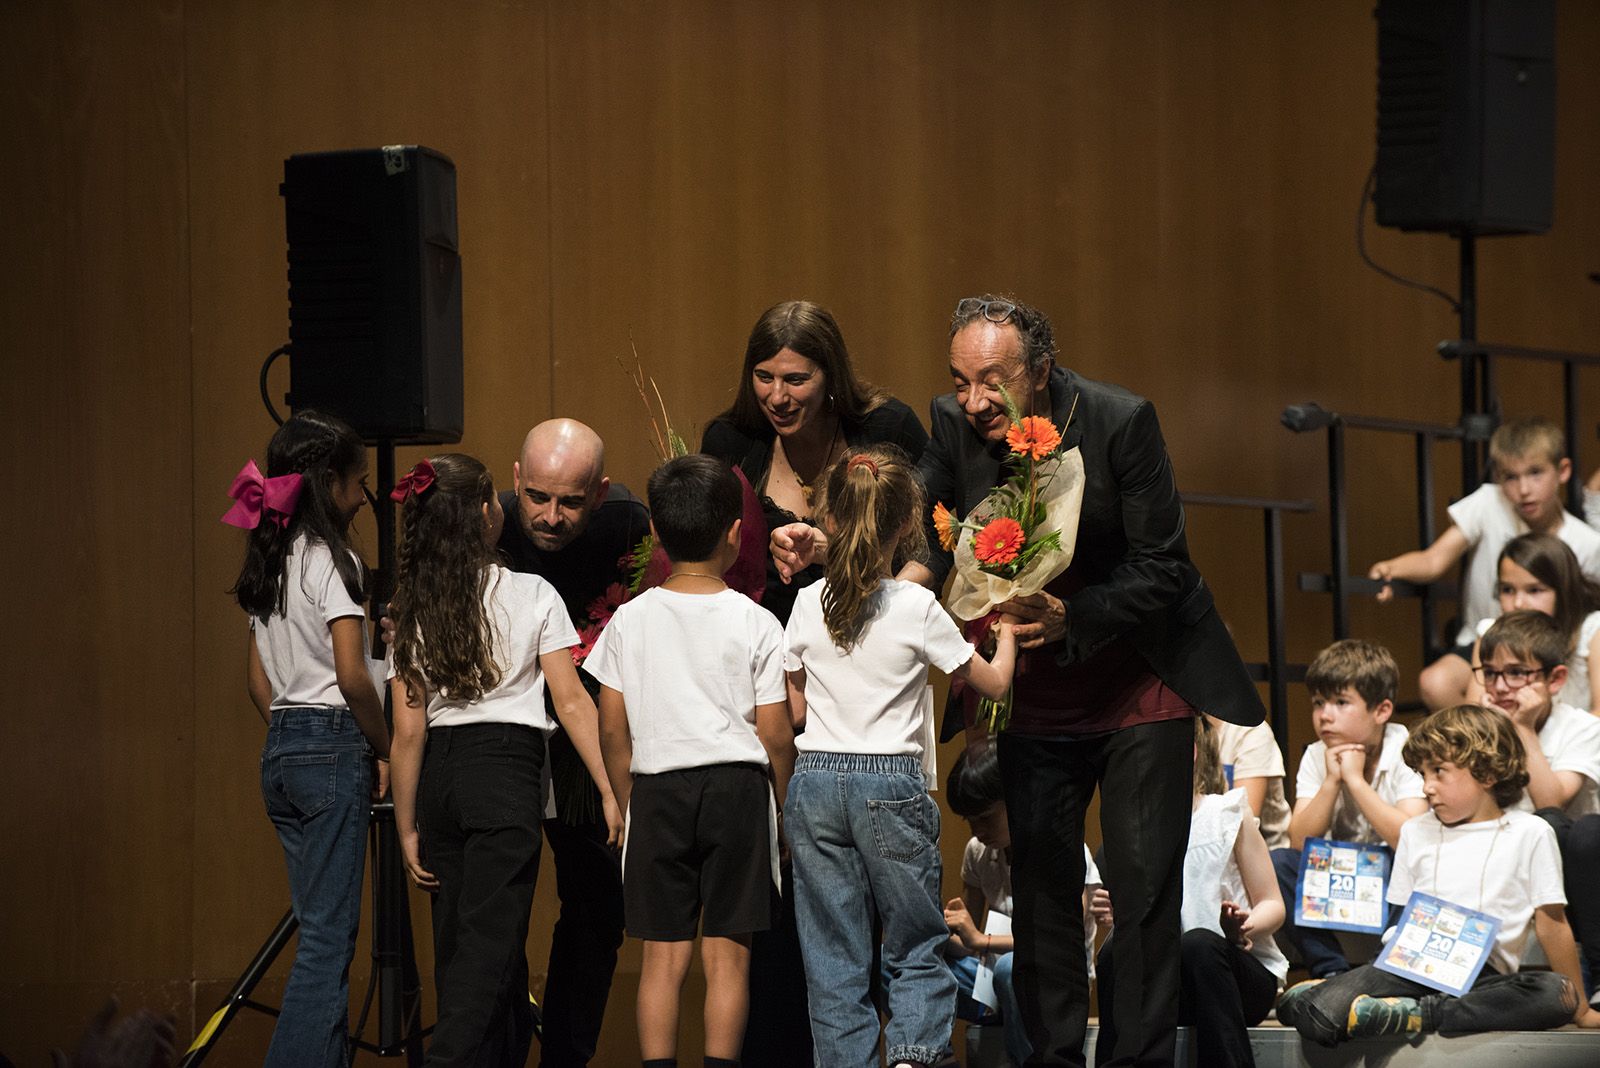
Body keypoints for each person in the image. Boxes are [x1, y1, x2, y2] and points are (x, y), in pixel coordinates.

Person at [821, 293, 1264, 1067]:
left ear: (1042, 370)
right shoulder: (952, 422)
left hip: (1137, 685)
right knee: (1048, 900)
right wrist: (841, 552)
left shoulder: (1121, 421)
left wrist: (1074, 616)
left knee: (1142, 893)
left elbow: (1163, 566)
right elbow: (918, 514)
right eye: (960, 381)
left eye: (992, 380)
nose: (973, 400)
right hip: (1035, 697)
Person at [701, 300, 927, 1065]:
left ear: (831, 378)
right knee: (776, 885)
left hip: (860, 681)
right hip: (763, 683)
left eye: (796, 378)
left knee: (874, 899)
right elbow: (704, 558)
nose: (778, 395)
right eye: (764, 376)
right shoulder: (728, 441)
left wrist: (846, 562)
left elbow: (928, 544)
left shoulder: (887, 430)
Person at [781, 446, 1016, 1067]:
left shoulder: (808, 602)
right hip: (889, 781)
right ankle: (912, 1057)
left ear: (830, 519)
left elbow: (795, 706)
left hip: (816, 781)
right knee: (913, 940)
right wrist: (1010, 634)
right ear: (906, 526)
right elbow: (991, 683)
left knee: (832, 952)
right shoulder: (915, 606)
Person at [385, 454, 620, 1066]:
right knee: (489, 949)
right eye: (497, 502)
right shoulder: (531, 590)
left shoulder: (413, 605)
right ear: (484, 515)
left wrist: (407, 825)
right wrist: (609, 788)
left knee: (462, 944)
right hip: (505, 774)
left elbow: (407, 733)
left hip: (439, 780)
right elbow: (571, 702)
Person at [590, 454, 797, 1068]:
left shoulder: (629, 620)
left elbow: (610, 724)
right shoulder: (757, 621)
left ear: (655, 532)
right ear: (736, 533)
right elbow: (777, 734)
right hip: (738, 790)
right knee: (729, 956)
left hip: (656, 790)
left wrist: (628, 799)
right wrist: (780, 810)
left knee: (662, 956)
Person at [1277, 705, 1600, 1044]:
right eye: (1423, 774)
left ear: (1487, 773)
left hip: (1482, 979)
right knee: (1322, 1015)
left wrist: (1578, 1009)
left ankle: (1416, 1013)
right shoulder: (1416, 831)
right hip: (1409, 968)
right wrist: (1368, 978)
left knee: (1555, 993)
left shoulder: (1530, 832)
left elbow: (1552, 923)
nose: (1427, 787)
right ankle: (1330, 996)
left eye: (1439, 772)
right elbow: (1398, 919)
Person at [226, 410, 391, 1068]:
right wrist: (383, 748)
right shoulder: (335, 559)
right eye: (357, 483)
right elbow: (353, 676)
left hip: (283, 753)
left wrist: (294, 738)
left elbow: (257, 682)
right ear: (329, 483)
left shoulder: (271, 556)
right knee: (327, 944)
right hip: (331, 745)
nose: (363, 495)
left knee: (319, 931)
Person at [496, 418, 648, 1066]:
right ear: (515, 482)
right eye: (538, 497)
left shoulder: (628, 528)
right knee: (495, 911)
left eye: (571, 502)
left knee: (594, 911)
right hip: (499, 737)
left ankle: (565, 1055)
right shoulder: (489, 523)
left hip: (588, 735)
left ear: (601, 491)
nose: (551, 517)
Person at [1367, 418, 1600, 710]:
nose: (1524, 489)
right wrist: (1393, 569)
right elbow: (1434, 559)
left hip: (1551, 648)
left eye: (1535, 473)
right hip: (1486, 640)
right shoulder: (1489, 502)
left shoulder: (1587, 542)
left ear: (1563, 471)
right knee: (1437, 683)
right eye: (1510, 477)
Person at [1093, 717, 1286, 1068]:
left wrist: (1243, 927)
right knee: (1113, 954)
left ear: (1190, 751)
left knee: (1199, 943)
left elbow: (1273, 903)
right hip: (1170, 982)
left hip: (1235, 974)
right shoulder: (1133, 828)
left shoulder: (1225, 813)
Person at [1272, 640, 1427, 979]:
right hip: (1343, 872)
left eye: (1341, 703)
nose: (1324, 715)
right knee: (1280, 863)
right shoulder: (1317, 754)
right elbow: (1299, 840)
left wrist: (1355, 781)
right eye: (1318, 703)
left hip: (1391, 872)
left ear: (1382, 711)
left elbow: (1411, 838)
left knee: (1418, 866)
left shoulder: (1407, 749)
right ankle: (1331, 971)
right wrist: (1331, 781)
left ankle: (1380, 970)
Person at [941, 745, 1101, 1068]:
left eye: (985, 818)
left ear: (1014, 798)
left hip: (1050, 979)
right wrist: (943, 932)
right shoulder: (977, 852)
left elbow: (1059, 943)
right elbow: (969, 938)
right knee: (898, 961)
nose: (976, 831)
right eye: (969, 821)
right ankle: (940, 1060)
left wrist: (981, 941)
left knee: (1008, 968)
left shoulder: (1062, 849)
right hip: (991, 976)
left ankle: (1029, 1061)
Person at [1474, 610, 1600, 998]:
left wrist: (1523, 728)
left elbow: (1551, 802)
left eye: (1516, 673)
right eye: (1491, 673)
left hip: (1570, 869)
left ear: (1555, 679)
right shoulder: (1479, 723)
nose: (1500, 686)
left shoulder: (1582, 727)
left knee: (1571, 827)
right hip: (1503, 859)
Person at [1460, 534, 1600, 714]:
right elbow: (1474, 711)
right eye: (1507, 590)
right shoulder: (1491, 632)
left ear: (1563, 591)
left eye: (1534, 590)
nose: (1518, 603)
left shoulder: (1592, 630)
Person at [1208, 714, 1291, 851]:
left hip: (1265, 852)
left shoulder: (1249, 731)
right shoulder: (1181, 730)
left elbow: (1241, 824)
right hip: (1204, 848)